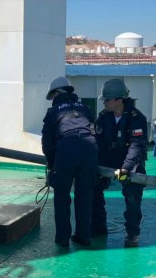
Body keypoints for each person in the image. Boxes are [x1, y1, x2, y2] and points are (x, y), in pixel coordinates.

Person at [42, 76, 98, 247]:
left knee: (61, 196)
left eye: (52, 96)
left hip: (67, 151)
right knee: (85, 196)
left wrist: (52, 165)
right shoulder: (85, 108)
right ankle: (83, 236)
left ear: (57, 93)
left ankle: (63, 238)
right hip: (90, 150)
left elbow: (48, 144)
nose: (52, 100)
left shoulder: (53, 112)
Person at [92, 78, 148, 247]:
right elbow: (97, 142)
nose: (104, 103)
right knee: (93, 188)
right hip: (109, 162)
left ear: (119, 100)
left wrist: (125, 169)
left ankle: (132, 233)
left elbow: (137, 146)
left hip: (129, 165)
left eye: (107, 100)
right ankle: (98, 226)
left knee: (131, 196)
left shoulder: (137, 119)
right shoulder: (103, 117)